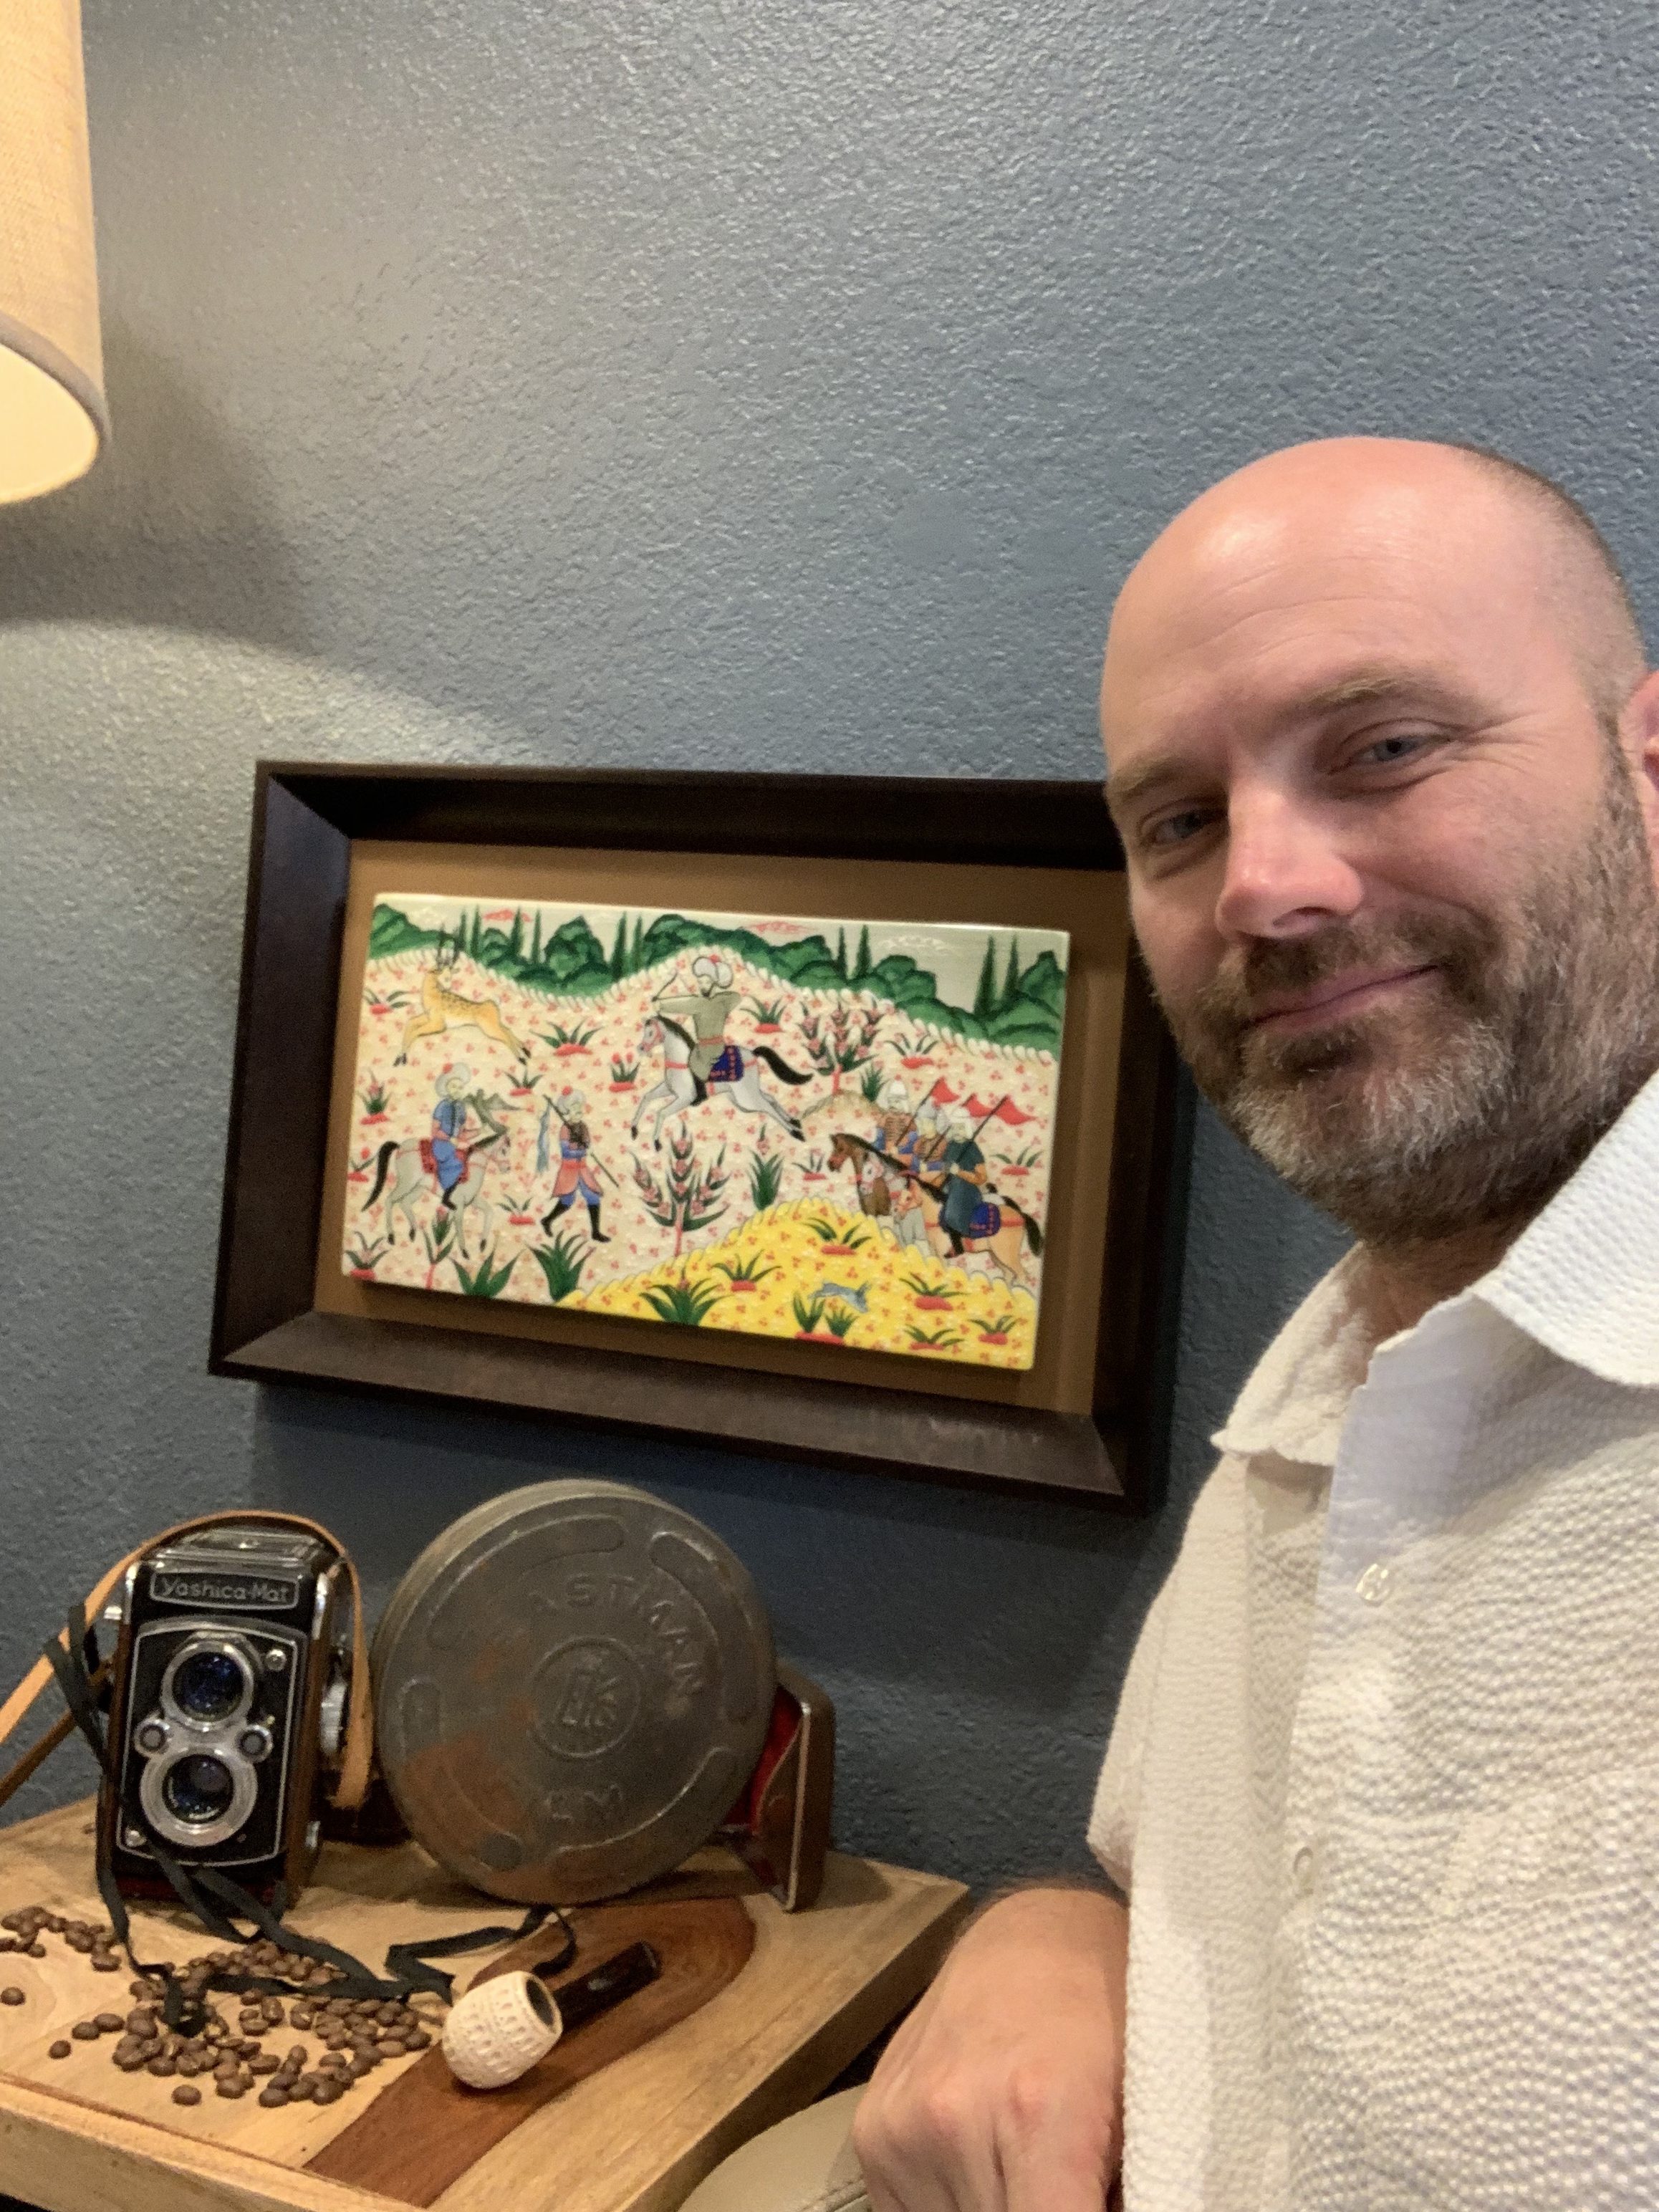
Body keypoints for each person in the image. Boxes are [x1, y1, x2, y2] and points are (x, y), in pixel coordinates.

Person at [682, 438, 1659, 2212]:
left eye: (1383, 748)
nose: (1263, 889)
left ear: (1646, 769)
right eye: (1179, 823)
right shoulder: (1322, 1399)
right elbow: (1271, 1921)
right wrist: (1053, 1934)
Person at [655, 954, 744, 1085]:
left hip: (710, 1050)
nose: (703, 986)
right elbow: (736, 997)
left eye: (707, 983)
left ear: (715, 983)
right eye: (701, 982)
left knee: (695, 1066)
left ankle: (700, 1092)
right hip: (705, 1047)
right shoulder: (720, 1001)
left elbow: (682, 1004)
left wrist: (661, 1005)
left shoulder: (704, 1003)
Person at [537, 1087, 610, 1242]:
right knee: (567, 1201)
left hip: (582, 1169)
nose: (578, 1111)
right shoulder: (565, 1129)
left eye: (579, 1108)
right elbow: (566, 1152)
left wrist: (587, 1148)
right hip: (569, 1170)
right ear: (567, 1112)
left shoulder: (583, 1127)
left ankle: (596, 1232)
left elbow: (587, 1143)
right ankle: (547, 1220)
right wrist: (583, 1152)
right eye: (574, 1109)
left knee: (593, 1196)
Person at [425, 1065, 474, 1211]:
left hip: (454, 1144)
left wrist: (480, 1131)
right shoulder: (442, 1106)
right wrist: (449, 1139)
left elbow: (462, 1133)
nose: (457, 1090)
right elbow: (434, 1131)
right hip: (441, 1144)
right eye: (453, 1087)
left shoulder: (461, 1108)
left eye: (460, 1087)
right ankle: (446, 1197)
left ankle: (458, 1193)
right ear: (446, 1088)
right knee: (457, 1165)